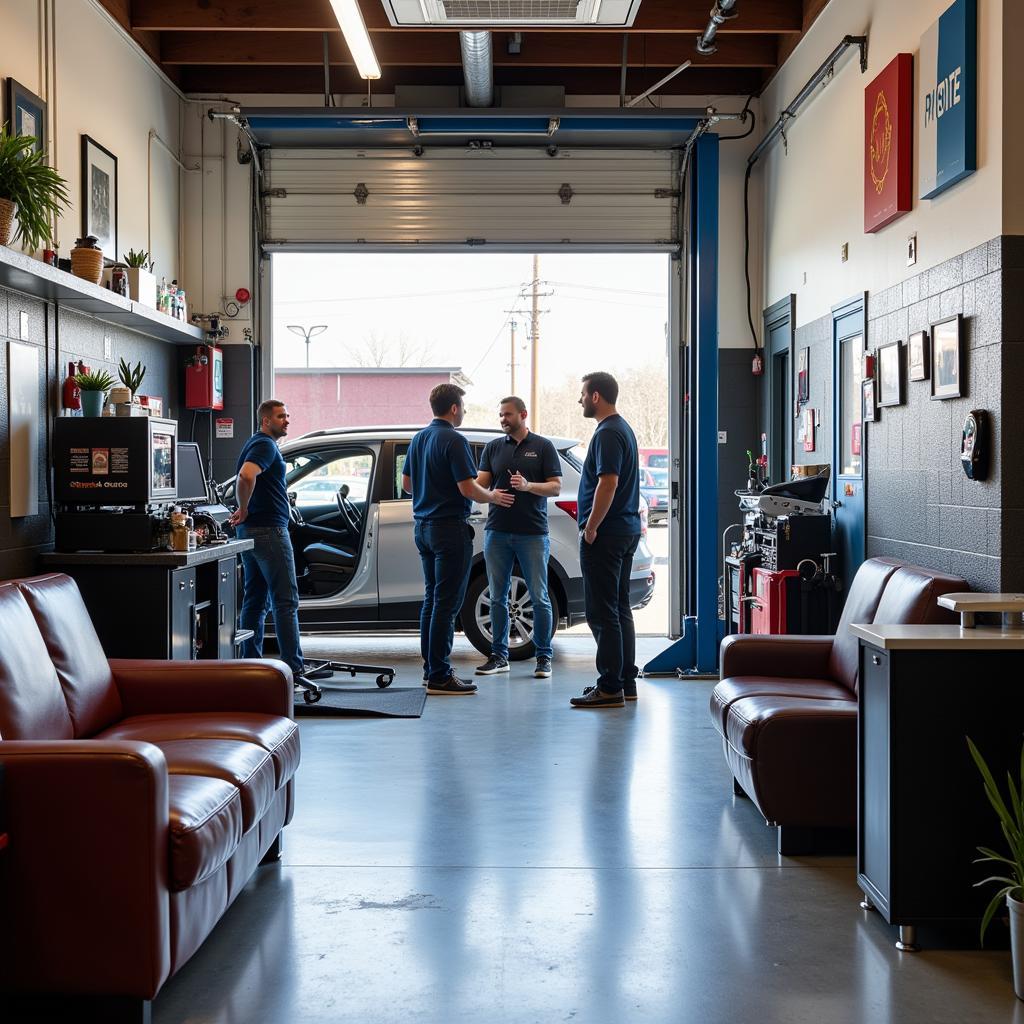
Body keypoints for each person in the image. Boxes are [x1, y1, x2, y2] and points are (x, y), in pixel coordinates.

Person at [403, 383, 515, 695]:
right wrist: (492, 495)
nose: (463, 412)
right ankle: (440, 675)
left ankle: (431, 670)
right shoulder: (453, 439)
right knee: (446, 604)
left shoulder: (419, 438)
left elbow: (408, 484)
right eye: (462, 407)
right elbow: (468, 488)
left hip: (422, 527)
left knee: (431, 599)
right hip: (448, 529)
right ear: (454, 408)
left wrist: (432, 486)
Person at [475, 397, 562, 679]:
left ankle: (543, 658)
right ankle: (499, 657)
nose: (503, 419)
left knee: (539, 597)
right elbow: (480, 485)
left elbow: (555, 487)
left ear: (522, 415)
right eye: (500, 414)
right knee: (496, 597)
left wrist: (527, 485)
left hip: (533, 534)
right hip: (497, 532)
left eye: (508, 414)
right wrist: (489, 495)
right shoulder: (493, 448)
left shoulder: (543, 447)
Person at [569, 371, 642, 709]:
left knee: (602, 612)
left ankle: (610, 686)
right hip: (625, 531)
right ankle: (625, 682)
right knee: (619, 608)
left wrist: (591, 527)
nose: (580, 400)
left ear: (596, 396)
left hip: (608, 533)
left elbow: (608, 483)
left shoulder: (608, 433)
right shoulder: (621, 428)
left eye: (583, 394)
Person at [229, 399, 307, 692]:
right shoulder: (265, 446)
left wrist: (245, 510)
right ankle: (293, 671)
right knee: (286, 602)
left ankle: (251, 666)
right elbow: (247, 476)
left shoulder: (255, 442)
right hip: (269, 531)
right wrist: (244, 507)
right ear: (265, 421)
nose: (286, 420)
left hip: (252, 532)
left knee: (255, 601)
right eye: (280, 416)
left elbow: (247, 478)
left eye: (287, 415)